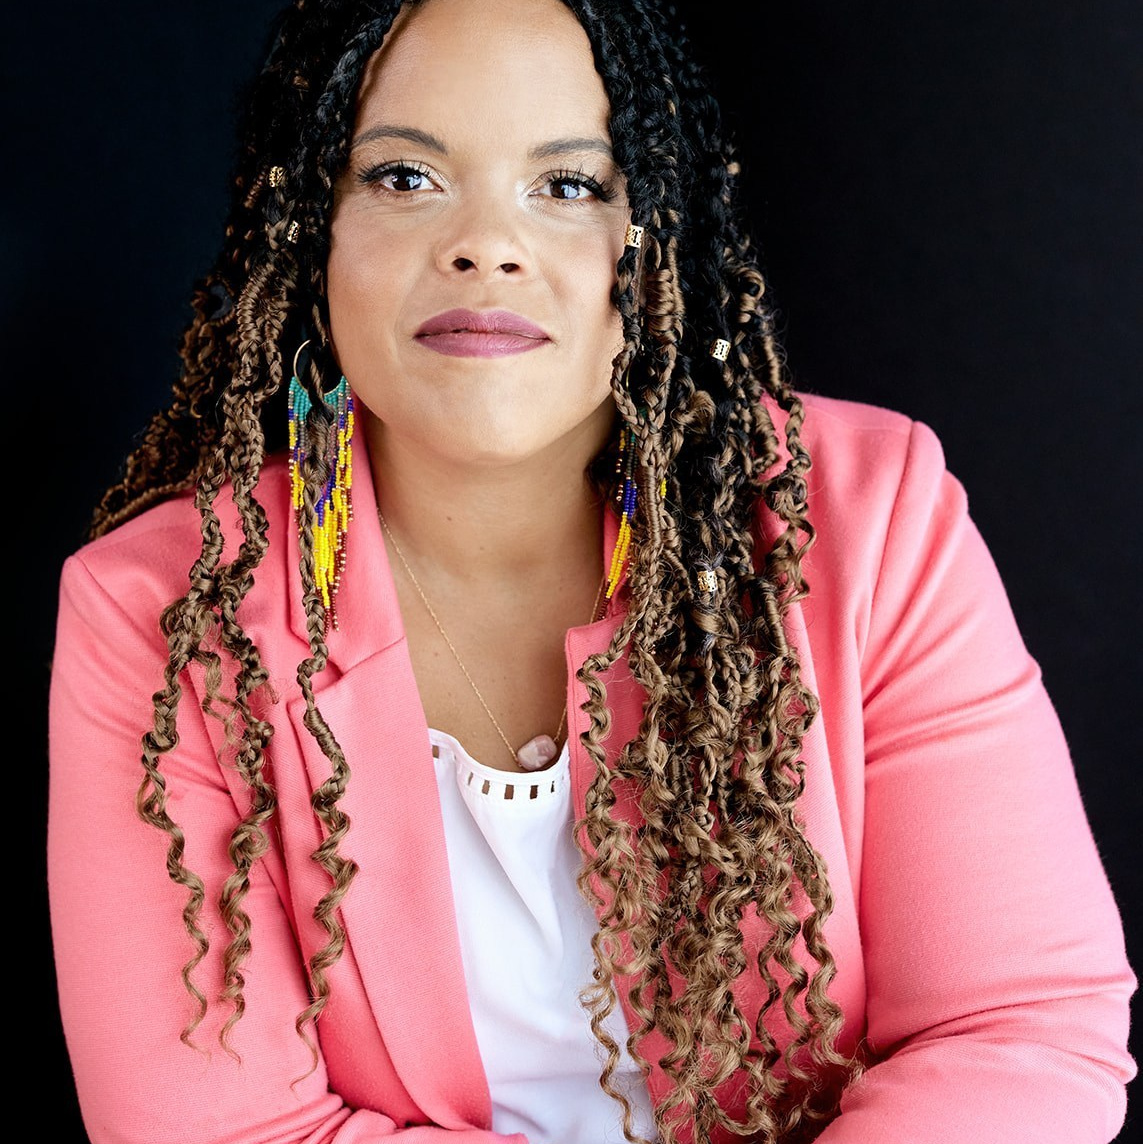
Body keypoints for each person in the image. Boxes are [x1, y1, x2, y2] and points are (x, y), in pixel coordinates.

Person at [46, 0, 1136, 1141]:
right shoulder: (164, 610)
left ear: (658, 235)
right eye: (405, 177)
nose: (485, 244)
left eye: (567, 185)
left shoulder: (865, 521)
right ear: (308, 226)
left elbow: (1020, 1028)